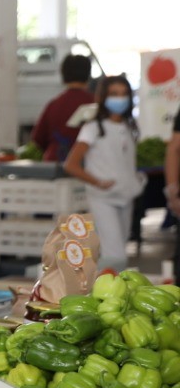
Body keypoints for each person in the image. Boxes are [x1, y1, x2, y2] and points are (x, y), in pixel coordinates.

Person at [64, 74, 143, 271]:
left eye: (124, 94)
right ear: (103, 97)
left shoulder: (130, 127)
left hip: (125, 195)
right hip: (102, 198)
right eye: (114, 94)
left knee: (120, 246)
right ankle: (109, 293)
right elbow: (71, 164)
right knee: (114, 252)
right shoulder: (92, 128)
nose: (120, 98)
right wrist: (98, 182)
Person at [31, 54, 97, 162]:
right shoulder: (95, 104)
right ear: (88, 74)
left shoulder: (54, 104)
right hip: (87, 164)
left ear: (63, 74)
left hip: (55, 162)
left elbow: (38, 138)